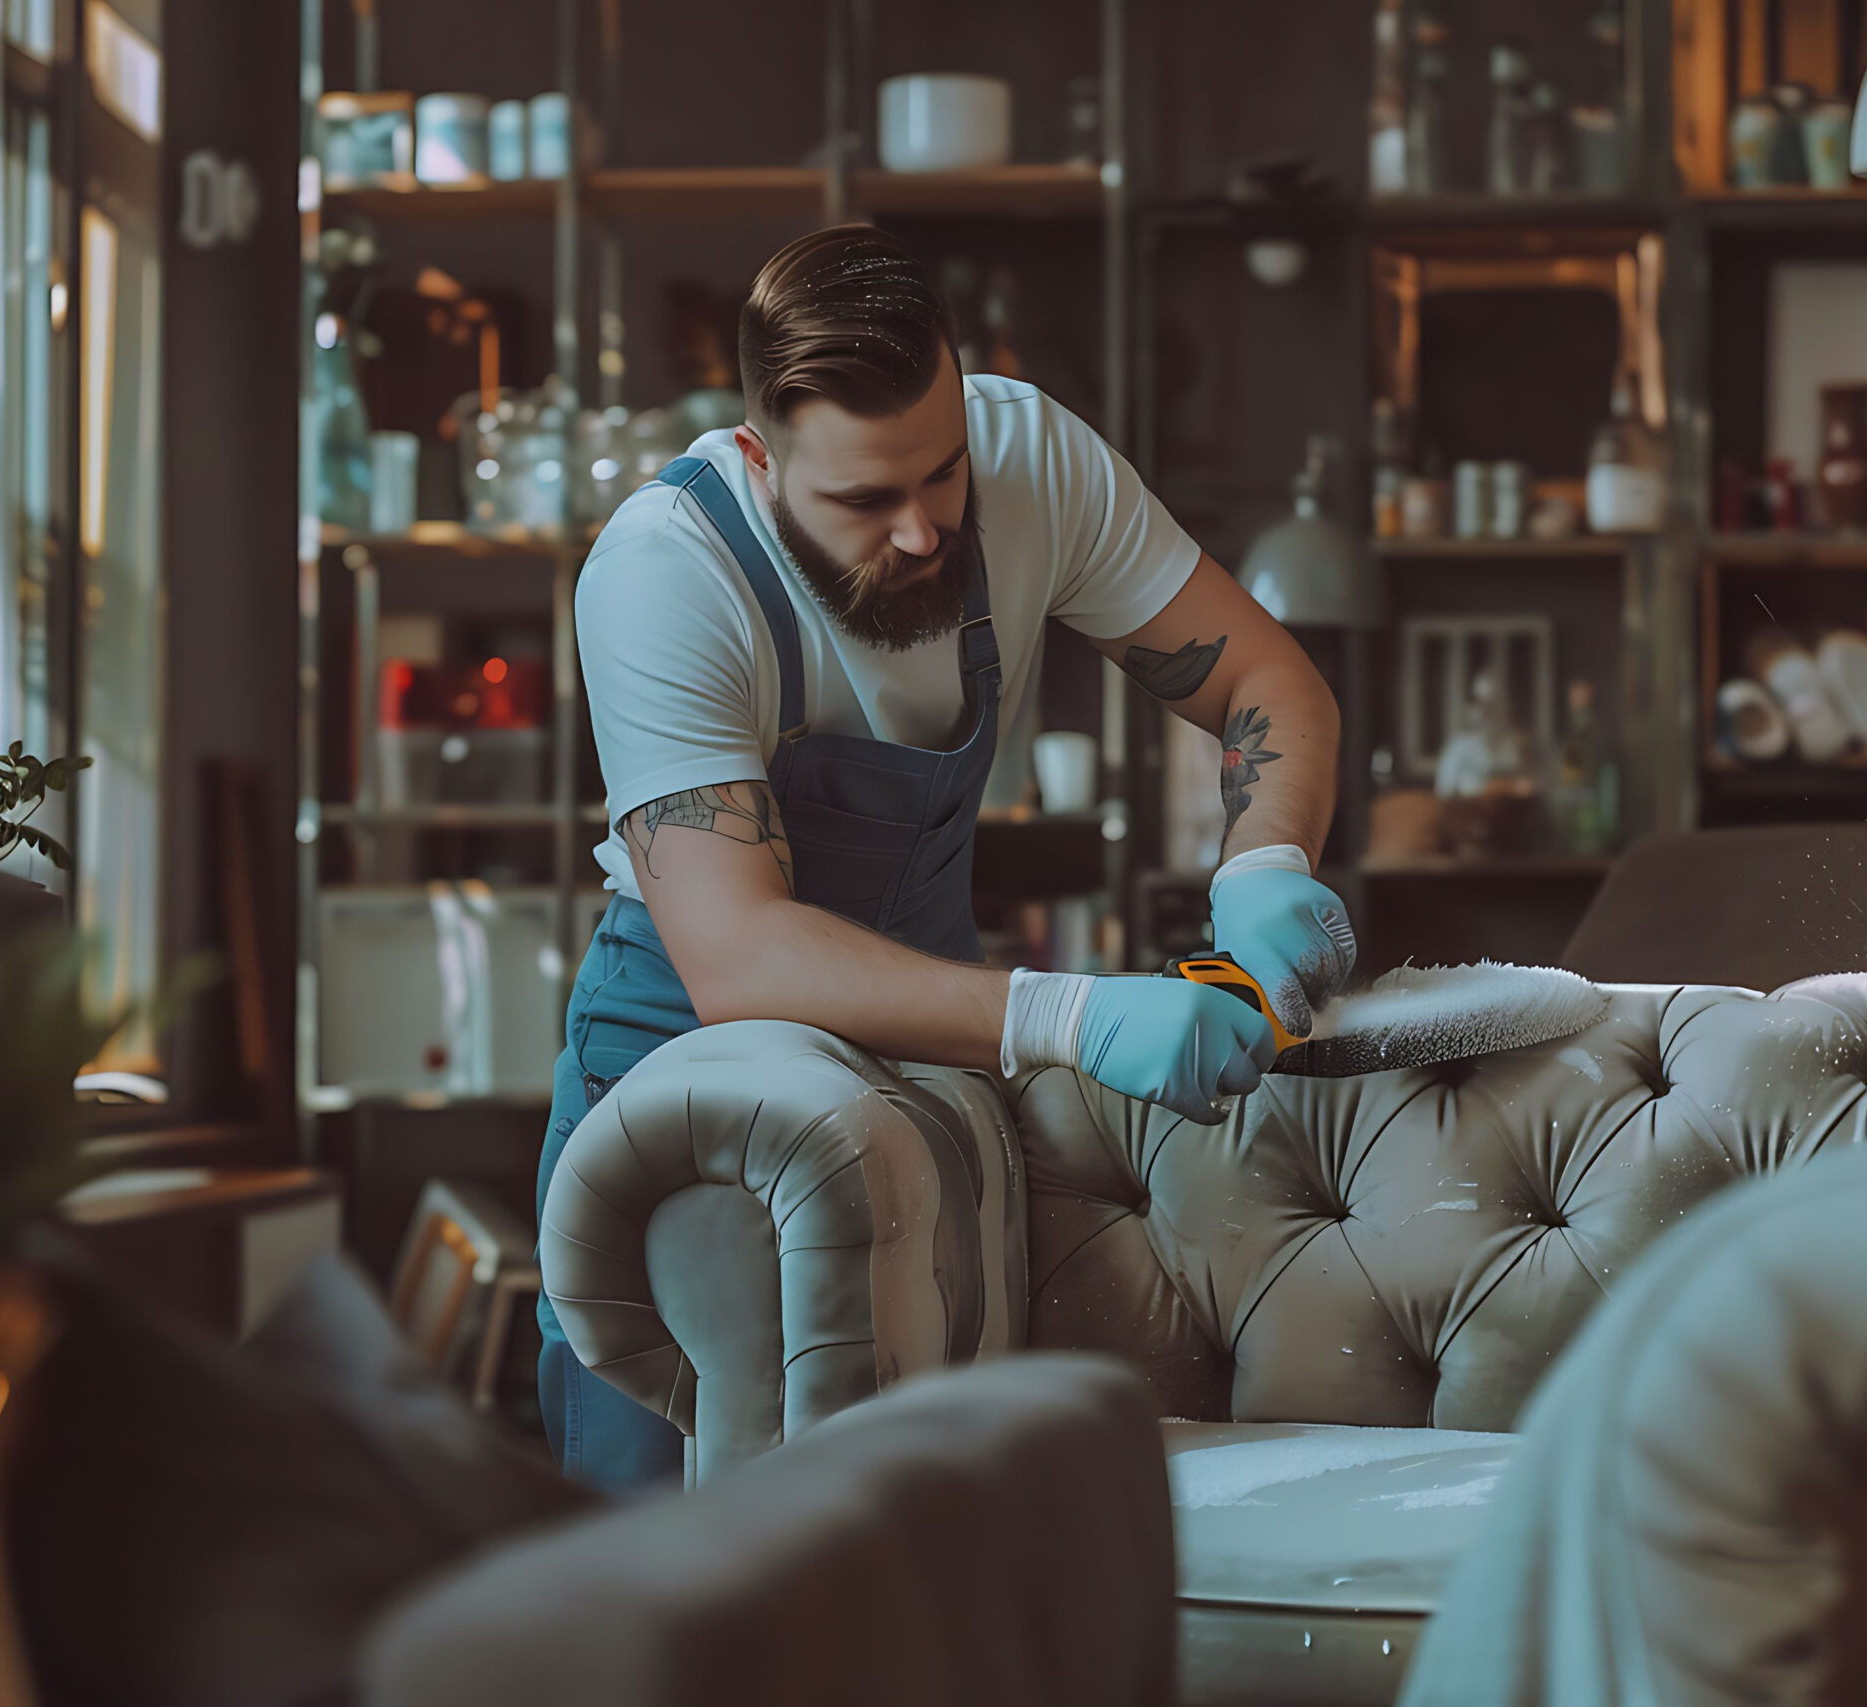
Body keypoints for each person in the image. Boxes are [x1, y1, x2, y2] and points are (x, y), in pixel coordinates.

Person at [539, 224, 1354, 1486]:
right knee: (655, 1580)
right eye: (866, 499)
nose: (923, 532)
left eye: (941, 475)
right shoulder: (663, 574)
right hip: (682, 1096)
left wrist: (1266, 861)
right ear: (761, 456)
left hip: (926, 1069)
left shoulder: (1031, 456)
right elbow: (740, 955)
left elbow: (1265, 678)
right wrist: (1074, 1015)